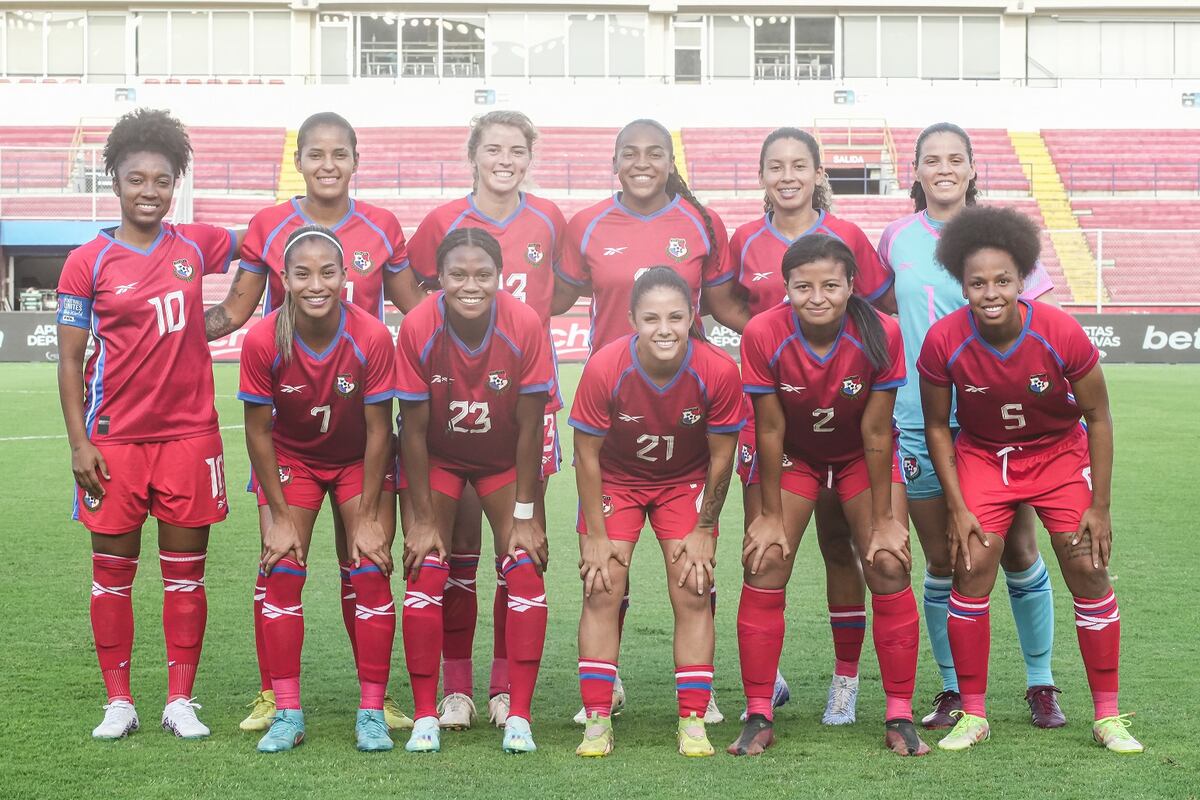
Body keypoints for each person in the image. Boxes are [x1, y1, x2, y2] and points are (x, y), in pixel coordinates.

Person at [205, 111, 422, 732]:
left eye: (340, 154)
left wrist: (486, 318)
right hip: (295, 420)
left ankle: (374, 702)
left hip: (362, 418)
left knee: (367, 564)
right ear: (297, 160)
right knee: (278, 558)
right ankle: (277, 696)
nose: (328, 165)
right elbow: (235, 310)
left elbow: (417, 309)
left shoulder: (381, 226)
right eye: (315, 154)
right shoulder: (270, 225)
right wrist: (159, 337)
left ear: (356, 160)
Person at [917, 205, 1142, 754]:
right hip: (985, 458)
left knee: (1088, 567)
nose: (990, 292)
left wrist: (1101, 506)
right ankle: (973, 713)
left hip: (1058, 456)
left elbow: (1099, 417)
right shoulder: (944, 340)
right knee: (971, 567)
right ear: (961, 284)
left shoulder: (1059, 329)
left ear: (1022, 280)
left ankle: (1107, 716)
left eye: (1002, 280)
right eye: (977, 282)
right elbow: (936, 427)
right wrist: (958, 507)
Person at [555, 117, 747, 724]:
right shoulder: (585, 224)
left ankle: (698, 686)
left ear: (670, 160)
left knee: (691, 571)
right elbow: (551, 300)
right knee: (607, 575)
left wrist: (781, 335)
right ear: (614, 160)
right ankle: (602, 686)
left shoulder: (699, 222)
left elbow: (719, 305)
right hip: (612, 411)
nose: (643, 162)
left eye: (655, 153)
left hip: (683, 411)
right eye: (630, 153)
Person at [56, 108, 239, 739]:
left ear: (175, 185)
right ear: (116, 180)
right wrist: (80, 443)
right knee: (112, 573)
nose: (150, 191)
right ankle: (120, 701)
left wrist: (225, 319)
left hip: (191, 436)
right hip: (114, 440)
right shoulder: (88, 260)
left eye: (162, 180)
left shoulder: (196, 244)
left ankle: (179, 700)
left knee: (185, 573)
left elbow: (265, 248)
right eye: (138, 179)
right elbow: (72, 358)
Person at [877, 122, 1063, 729]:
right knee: (942, 558)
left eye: (955, 158)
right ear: (916, 172)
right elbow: (885, 309)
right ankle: (954, 688)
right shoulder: (896, 239)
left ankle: (1041, 683)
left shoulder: (1000, 239)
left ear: (973, 168)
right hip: (917, 419)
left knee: (1016, 549)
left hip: (996, 426)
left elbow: (1035, 317)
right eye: (932, 159)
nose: (944, 168)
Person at [730, 234, 928, 758]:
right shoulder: (762, 332)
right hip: (795, 454)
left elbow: (878, 433)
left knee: (887, 561)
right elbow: (769, 430)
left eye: (830, 286)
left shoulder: (881, 332)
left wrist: (885, 519)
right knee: (766, 558)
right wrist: (770, 515)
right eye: (803, 286)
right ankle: (758, 713)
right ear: (786, 287)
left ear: (851, 285)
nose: (817, 297)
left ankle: (899, 714)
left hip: (860, 456)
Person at [728, 127, 897, 725]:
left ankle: (845, 686)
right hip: (777, 408)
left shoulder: (849, 236)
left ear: (819, 173)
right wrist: (771, 336)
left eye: (800, 164)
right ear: (762, 176)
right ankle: (764, 681)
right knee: (765, 549)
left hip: (846, 417)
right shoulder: (744, 238)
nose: (789, 175)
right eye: (776, 165)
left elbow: (879, 306)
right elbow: (722, 298)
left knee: (842, 549)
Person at [407, 111, 567, 729]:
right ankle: (456, 690)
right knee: (458, 550)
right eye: (494, 148)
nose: (506, 159)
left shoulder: (550, 218)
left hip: (524, 403)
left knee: (520, 546)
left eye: (518, 150)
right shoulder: (441, 222)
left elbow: (565, 291)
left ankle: (504, 689)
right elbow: (418, 291)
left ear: (530, 157)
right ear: (472, 153)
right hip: (453, 409)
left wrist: (515, 341)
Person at [238, 226, 398, 753]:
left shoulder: (371, 335)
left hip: (357, 461)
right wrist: (280, 516)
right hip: (293, 461)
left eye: (327, 272)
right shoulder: (264, 339)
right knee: (283, 568)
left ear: (345, 275)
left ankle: (371, 711)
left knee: (370, 569)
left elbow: (380, 430)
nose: (315, 284)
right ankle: (287, 712)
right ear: (284, 279)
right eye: (302, 273)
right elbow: (258, 431)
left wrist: (371, 513)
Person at [571, 268, 743, 758]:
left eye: (675, 316)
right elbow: (586, 455)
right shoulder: (606, 366)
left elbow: (721, 457)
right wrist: (597, 536)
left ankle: (692, 719)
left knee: (694, 584)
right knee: (602, 584)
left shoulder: (717, 370)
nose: (664, 328)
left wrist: (706, 528)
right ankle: (597, 719)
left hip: (683, 481)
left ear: (693, 317)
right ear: (631, 320)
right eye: (651, 318)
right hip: (616, 481)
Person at [395, 228, 553, 754]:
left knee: (523, 563)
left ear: (499, 277)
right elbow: (412, 431)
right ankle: (434, 708)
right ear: (438, 278)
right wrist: (419, 518)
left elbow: (532, 428)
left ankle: (517, 713)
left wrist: (527, 514)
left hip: (504, 460)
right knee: (430, 564)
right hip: (439, 458)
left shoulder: (523, 322)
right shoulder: (418, 324)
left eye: (482, 275)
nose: (470, 285)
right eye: (458, 275)